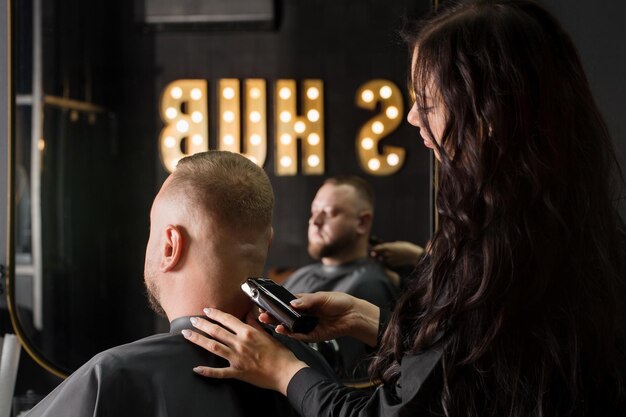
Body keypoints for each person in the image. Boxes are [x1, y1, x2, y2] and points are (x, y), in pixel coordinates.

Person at [182, 1, 626, 416]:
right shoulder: (562, 232)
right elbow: (480, 363)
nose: (413, 118)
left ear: (489, 116)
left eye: (428, 103)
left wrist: (281, 371)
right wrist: (369, 320)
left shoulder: (499, 254)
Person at [26, 151, 334, 417]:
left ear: (170, 246)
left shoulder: (111, 378)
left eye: (153, 230)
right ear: (267, 242)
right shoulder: (310, 372)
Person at [281, 175, 397, 380]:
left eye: (329, 213)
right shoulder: (300, 275)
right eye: (314, 212)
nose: (314, 221)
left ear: (362, 222)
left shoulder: (370, 286)